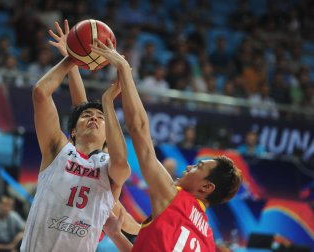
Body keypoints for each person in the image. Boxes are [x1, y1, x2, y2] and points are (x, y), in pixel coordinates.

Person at [91, 38, 243, 251]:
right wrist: (116, 235)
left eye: (199, 167)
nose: (189, 167)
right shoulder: (207, 240)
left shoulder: (175, 200)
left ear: (206, 187)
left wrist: (125, 70)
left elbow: (140, 131)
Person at [20, 20, 135, 252]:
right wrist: (72, 57)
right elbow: (41, 93)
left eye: (101, 118)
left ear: (108, 135)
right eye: (87, 117)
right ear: (72, 130)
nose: (94, 118)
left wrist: (108, 103)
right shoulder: (57, 150)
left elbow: (121, 160)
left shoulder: (110, 168)